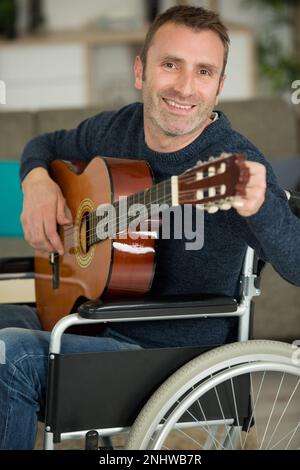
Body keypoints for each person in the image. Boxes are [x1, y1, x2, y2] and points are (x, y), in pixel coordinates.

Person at [0, 5, 300, 450]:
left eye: (203, 72)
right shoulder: (118, 128)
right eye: (170, 64)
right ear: (141, 71)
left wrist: (260, 207)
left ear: (219, 88)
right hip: (94, 320)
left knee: (12, 356)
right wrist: (37, 180)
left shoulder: (235, 167)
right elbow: (44, 145)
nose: (184, 86)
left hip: (168, 357)